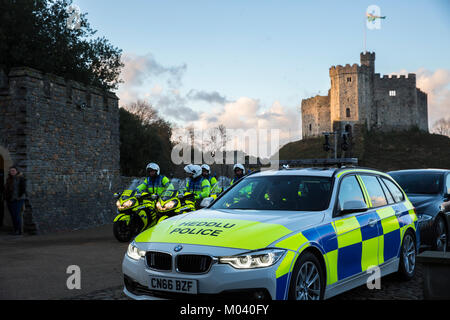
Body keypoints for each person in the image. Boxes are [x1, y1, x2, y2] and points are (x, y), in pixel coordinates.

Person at [4, 166, 26, 235]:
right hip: (10, 200)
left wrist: (18, 196)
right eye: (11, 171)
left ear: (16, 171)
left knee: (17, 215)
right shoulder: (9, 179)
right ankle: (15, 230)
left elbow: (23, 189)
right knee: (13, 216)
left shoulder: (20, 178)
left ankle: (18, 231)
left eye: (13, 171)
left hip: (18, 200)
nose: (12, 172)